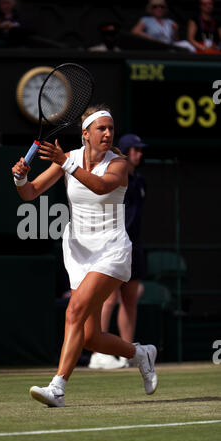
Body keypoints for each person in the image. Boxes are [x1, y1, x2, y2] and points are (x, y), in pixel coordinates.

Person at [12, 106, 158, 407]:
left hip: (111, 250)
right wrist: (21, 179)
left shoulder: (117, 164)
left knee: (74, 310)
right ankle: (141, 353)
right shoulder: (71, 158)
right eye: (101, 129)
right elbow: (31, 193)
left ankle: (58, 388)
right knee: (91, 337)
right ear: (86, 134)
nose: (107, 133)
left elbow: (102, 187)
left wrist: (66, 164)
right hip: (78, 251)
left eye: (110, 129)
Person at [89, 134, 147, 370]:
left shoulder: (141, 181)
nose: (139, 154)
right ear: (124, 152)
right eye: (135, 149)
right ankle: (98, 353)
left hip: (135, 245)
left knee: (130, 300)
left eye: (140, 150)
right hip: (112, 243)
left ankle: (126, 351)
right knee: (109, 298)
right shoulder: (114, 177)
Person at [131, 0, 196, 52]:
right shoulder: (146, 20)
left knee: (186, 45)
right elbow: (135, 32)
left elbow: (176, 41)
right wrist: (149, 37)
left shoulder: (170, 22)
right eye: (155, 7)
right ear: (151, 9)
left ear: (165, 9)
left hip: (168, 48)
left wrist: (176, 32)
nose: (159, 9)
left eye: (162, 7)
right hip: (153, 47)